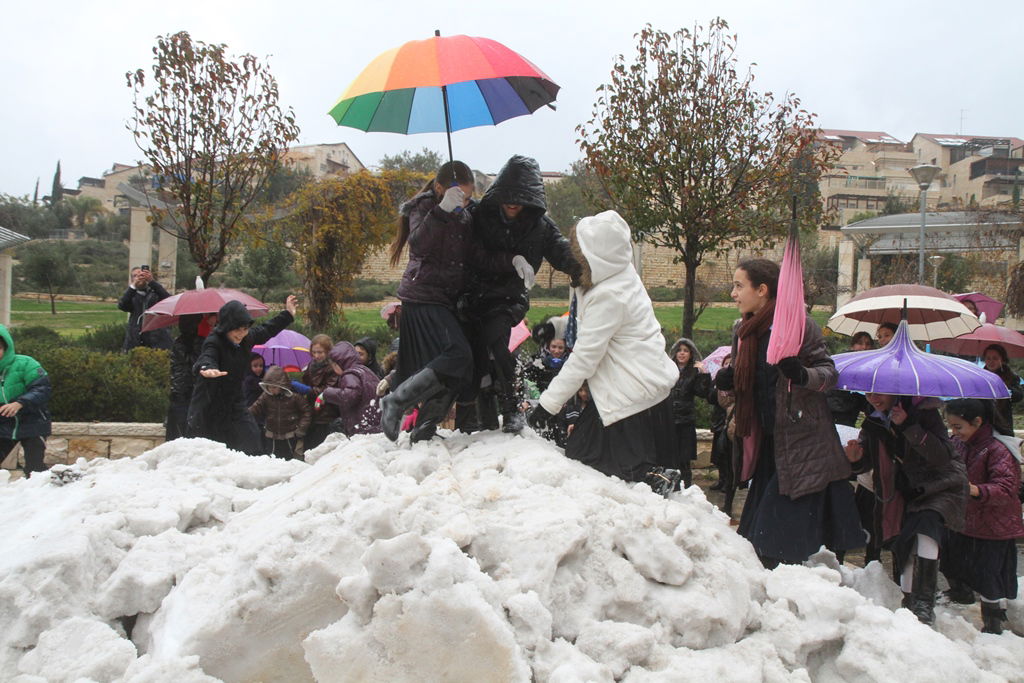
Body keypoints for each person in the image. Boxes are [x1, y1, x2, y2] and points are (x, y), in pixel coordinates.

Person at [715, 258, 864, 568]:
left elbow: (829, 374)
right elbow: (741, 391)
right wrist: (727, 383)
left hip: (801, 444)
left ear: (763, 289)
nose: (733, 293)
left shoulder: (800, 326)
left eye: (739, 285)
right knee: (756, 539)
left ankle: (789, 599)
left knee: (775, 540)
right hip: (767, 443)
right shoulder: (744, 331)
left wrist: (800, 374)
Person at [527, 210, 681, 497]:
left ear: (596, 256)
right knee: (589, 464)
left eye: (580, 253)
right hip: (642, 390)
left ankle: (655, 479)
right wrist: (556, 326)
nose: (575, 259)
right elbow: (604, 328)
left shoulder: (608, 293)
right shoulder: (620, 275)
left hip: (630, 398)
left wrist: (547, 406)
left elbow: (585, 357)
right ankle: (652, 478)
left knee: (589, 464)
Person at [380, 160, 517, 443]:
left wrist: (512, 261)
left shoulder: (465, 216)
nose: (464, 202)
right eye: (459, 196)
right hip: (423, 298)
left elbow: (476, 256)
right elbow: (418, 244)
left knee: (462, 369)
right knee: (459, 355)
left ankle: (424, 428)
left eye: (468, 197)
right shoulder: (424, 207)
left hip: (447, 302)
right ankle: (394, 402)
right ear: (440, 187)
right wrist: (442, 212)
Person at [466, 155, 580, 433]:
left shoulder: (540, 226)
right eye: (508, 197)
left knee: (497, 344)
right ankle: (470, 419)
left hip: (506, 299)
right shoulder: (480, 215)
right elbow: (464, 245)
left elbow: (561, 252)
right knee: (471, 358)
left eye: (519, 198)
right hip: (471, 295)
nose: (512, 203)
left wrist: (584, 267)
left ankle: (511, 407)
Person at [843, 392, 967, 625]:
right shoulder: (873, 420)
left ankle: (924, 603)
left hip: (940, 486)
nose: (872, 398)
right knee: (904, 544)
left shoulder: (925, 414)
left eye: (879, 392)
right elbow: (868, 461)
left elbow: (941, 456)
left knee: (926, 529)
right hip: (904, 492)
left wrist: (908, 425)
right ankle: (909, 604)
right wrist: (855, 459)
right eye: (868, 393)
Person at [941, 399, 1023, 634]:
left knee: (989, 577)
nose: (954, 432)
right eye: (951, 426)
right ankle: (961, 595)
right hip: (966, 520)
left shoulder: (998, 449)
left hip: (993, 526)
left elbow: (1007, 488)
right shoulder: (959, 443)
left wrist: (976, 490)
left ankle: (993, 624)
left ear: (977, 422)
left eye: (958, 427)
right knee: (952, 561)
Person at [186, 296, 298, 454]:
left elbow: (267, 329)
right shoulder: (214, 341)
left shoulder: (247, 338)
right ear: (226, 327)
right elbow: (207, 356)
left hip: (234, 401)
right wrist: (208, 368)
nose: (240, 334)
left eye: (244, 329)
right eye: (236, 330)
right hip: (210, 402)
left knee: (251, 440)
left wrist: (288, 314)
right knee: (209, 450)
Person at [0, 326, 51, 477]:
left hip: (32, 421)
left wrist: (20, 403)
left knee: (35, 469)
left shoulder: (26, 364)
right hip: (3, 424)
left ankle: (43, 495)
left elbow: (42, 389)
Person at [668, 338, 711, 489]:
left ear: (691, 354)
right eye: (679, 350)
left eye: (685, 351)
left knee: (684, 458)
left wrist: (704, 375)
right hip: (669, 419)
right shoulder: (667, 369)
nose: (681, 353)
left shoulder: (693, 372)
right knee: (668, 456)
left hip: (685, 421)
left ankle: (686, 487)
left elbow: (703, 392)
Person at [166, 313, 214, 440]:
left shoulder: (182, 342)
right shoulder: (186, 344)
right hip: (185, 398)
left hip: (184, 398)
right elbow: (194, 366)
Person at [249, 365, 312, 460]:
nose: (271, 390)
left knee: (289, 459)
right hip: (271, 435)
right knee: (272, 459)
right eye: (269, 387)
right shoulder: (266, 396)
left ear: (282, 386)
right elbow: (255, 408)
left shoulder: (294, 397)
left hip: (290, 435)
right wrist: (244, 415)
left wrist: (301, 429)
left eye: (274, 387)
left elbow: (306, 412)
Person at [321, 342, 382, 437]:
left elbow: (350, 395)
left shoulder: (349, 375)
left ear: (339, 364)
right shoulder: (364, 371)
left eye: (333, 366)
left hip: (361, 425)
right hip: (374, 422)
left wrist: (327, 393)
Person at [117, 265, 173, 352]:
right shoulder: (132, 296)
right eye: (135, 276)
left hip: (157, 342)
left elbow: (168, 300)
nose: (139, 277)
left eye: (142, 275)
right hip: (135, 341)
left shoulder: (156, 293)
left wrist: (152, 282)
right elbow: (122, 305)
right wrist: (133, 287)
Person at [298, 334, 339, 451]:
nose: (316, 355)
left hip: (326, 412)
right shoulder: (312, 364)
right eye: (314, 352)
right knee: (309, 446)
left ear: (328, 352)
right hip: (311, 409)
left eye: (320, 352)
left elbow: (329, 389)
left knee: (320, 446)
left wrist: (308, 390)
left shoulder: (333, 366)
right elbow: (306, 380)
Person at [980, 343, 1022, 436]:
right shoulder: (980, 376)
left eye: (995, 358)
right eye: (988, 358)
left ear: (1002, 360)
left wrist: (1005, 389)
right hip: (984, 423)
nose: (991, 361)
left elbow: (1019, 396)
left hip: (1003, 423)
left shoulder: (1011, 377)